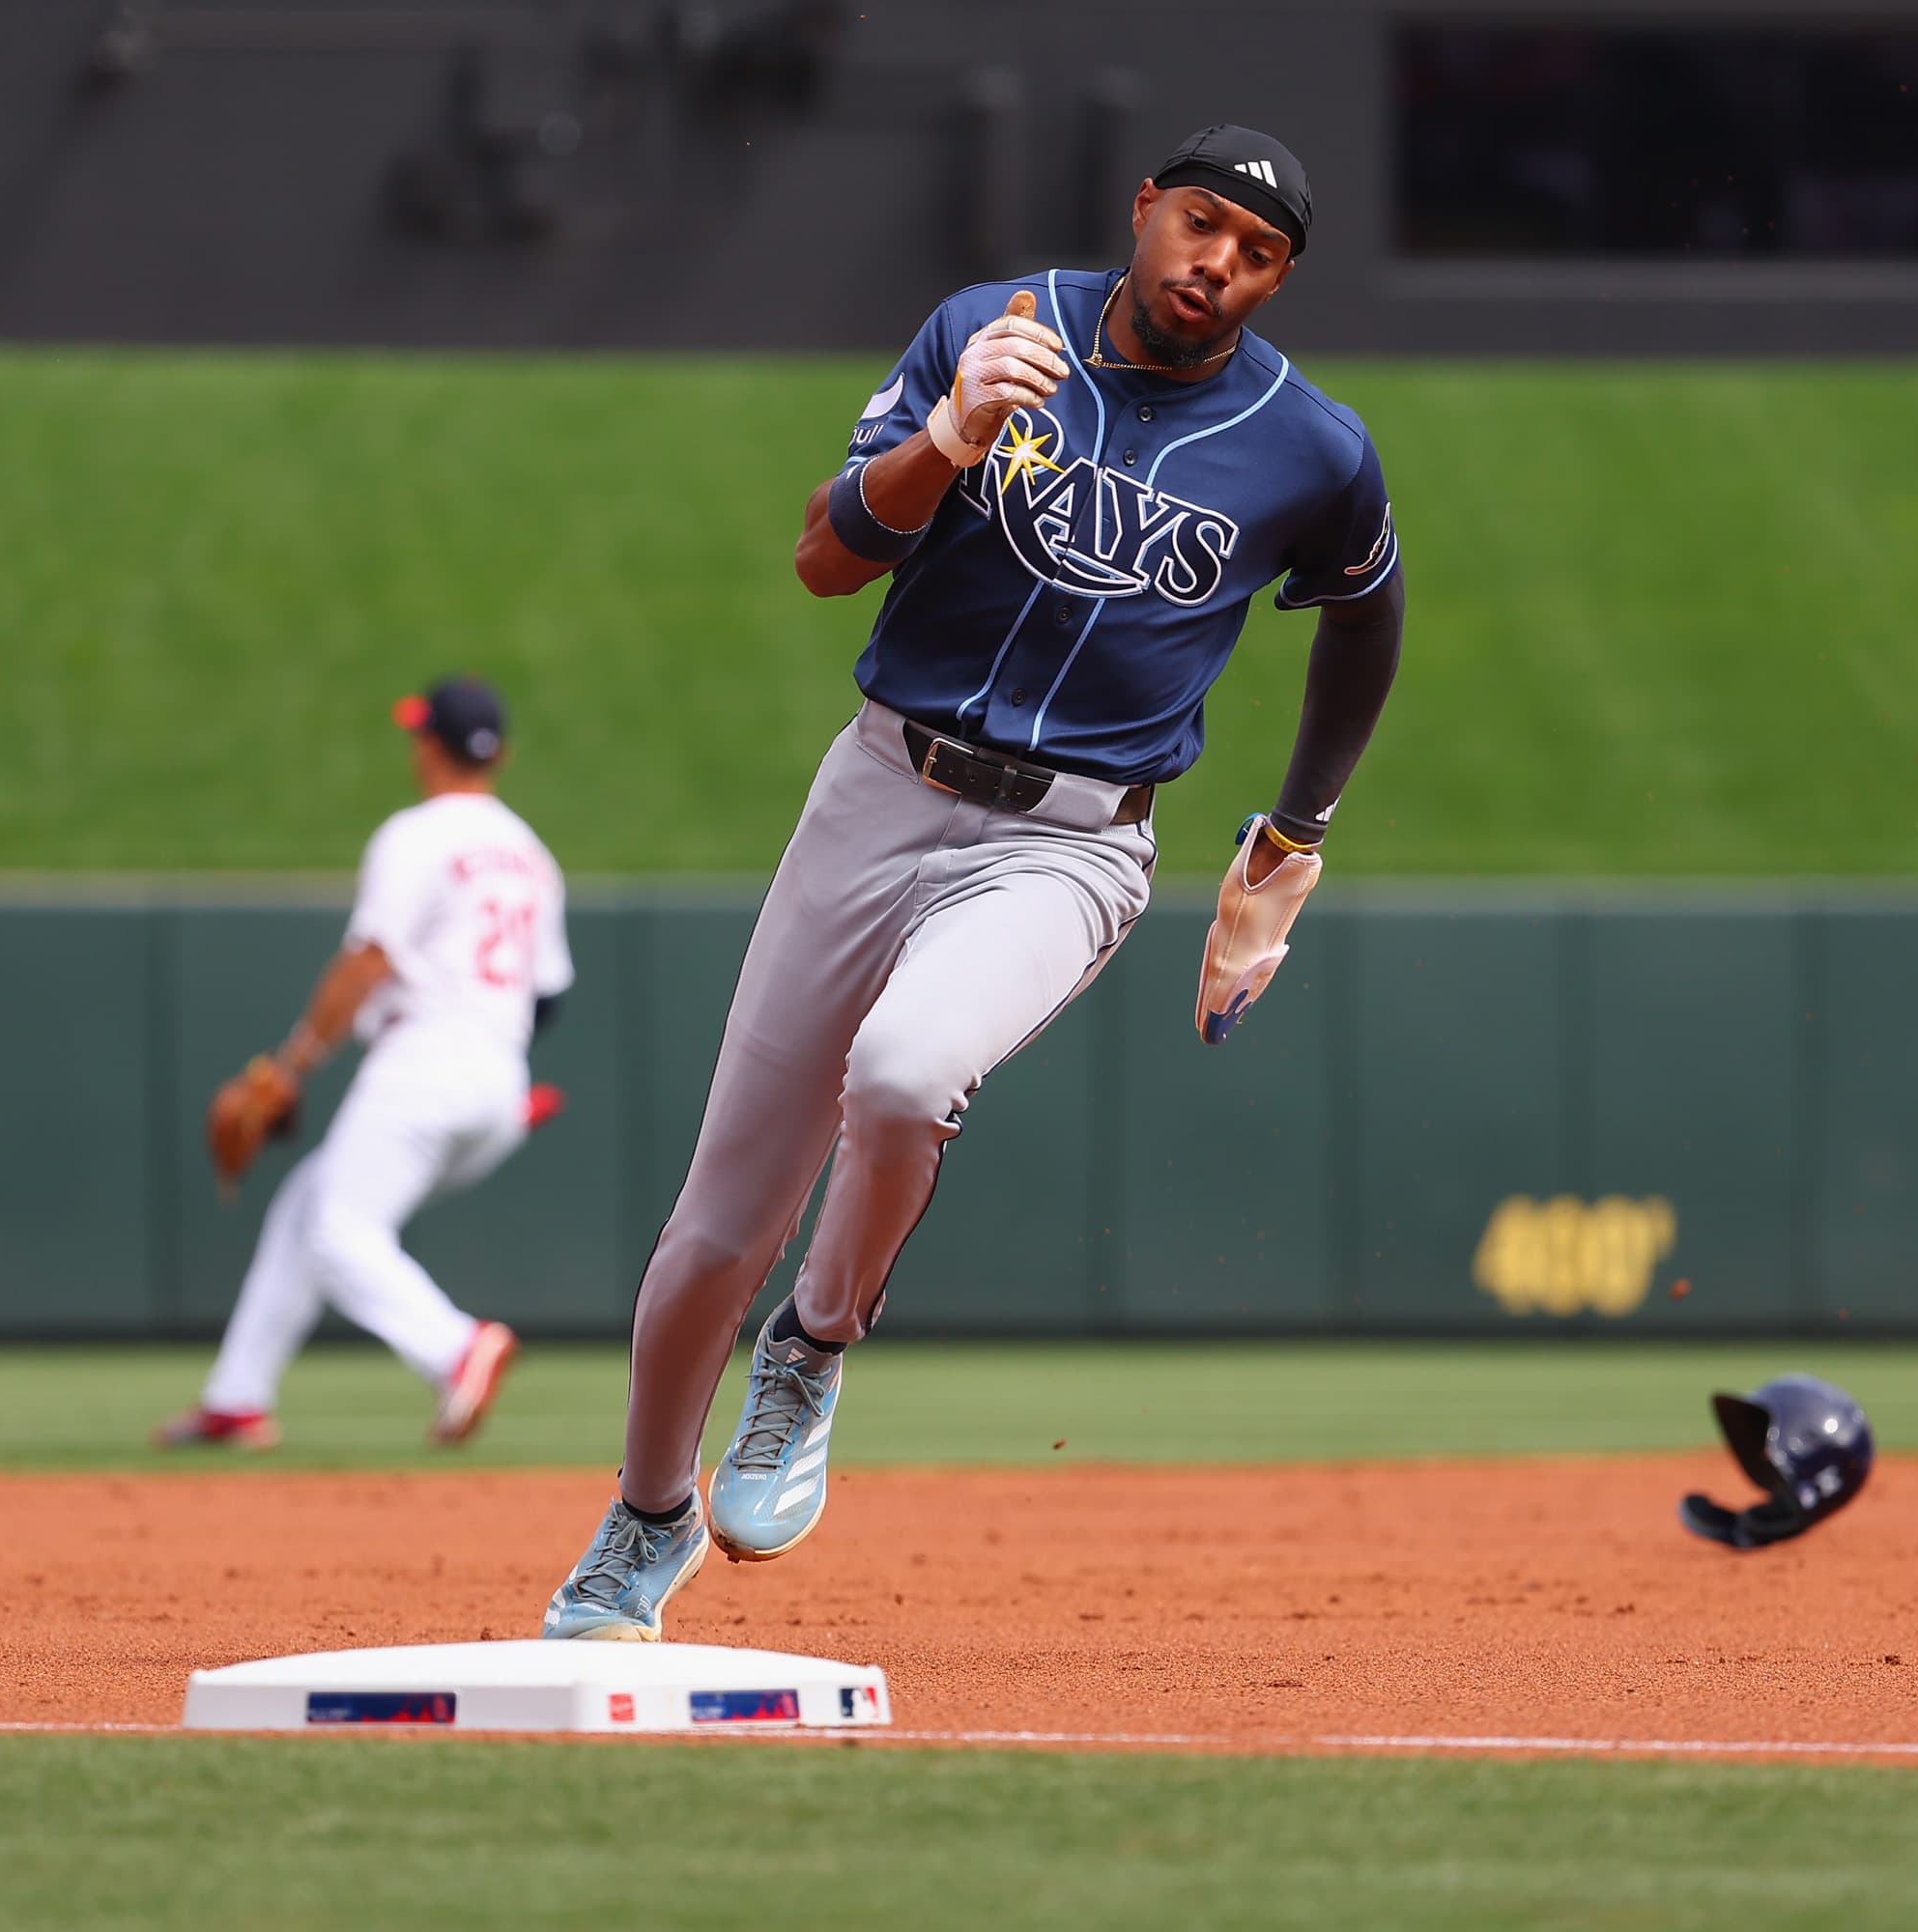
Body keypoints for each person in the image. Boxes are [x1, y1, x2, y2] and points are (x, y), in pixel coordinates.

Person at [542, 125, 1404, 1638]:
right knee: (711, 1235)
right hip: (880, 788)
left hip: (1070, 841)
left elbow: (1366, 614)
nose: (1218, 264)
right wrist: (945, 438)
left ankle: (814, 1347)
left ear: (1277, 281)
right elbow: (824, 561)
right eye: (1202, 225)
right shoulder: (992, 328)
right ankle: (647, 1520)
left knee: (902, 1076)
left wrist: (1295, 833)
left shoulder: (1309, 446)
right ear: (1145, 209)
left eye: (1258, 254)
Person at [158, 677, 571, 1450]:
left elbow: (369, 960)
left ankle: (456, 1349)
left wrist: (292, 1065)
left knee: (337, 1228)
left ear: (428, 746)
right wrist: (491, 1082)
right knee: (307, 1207)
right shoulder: (531, 856)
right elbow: (547, 997)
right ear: (499, 757)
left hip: (423, 1065)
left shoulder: (415, 835)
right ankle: (237, 1399)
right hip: (495, 1080)